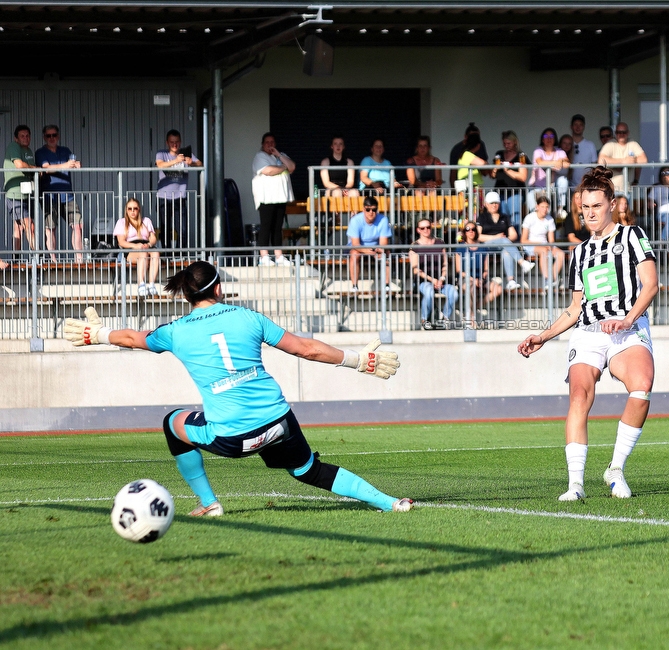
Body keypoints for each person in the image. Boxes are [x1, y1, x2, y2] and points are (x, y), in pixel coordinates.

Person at [62, 261, 412, 514]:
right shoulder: (248, 316)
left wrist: (98, 335)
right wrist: (357, 360)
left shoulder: (176, 330)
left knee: (172, 423)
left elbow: (132, 338)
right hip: (279, 424)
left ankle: (209, 503)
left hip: (232, 438)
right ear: (218, 288)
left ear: (186, 294)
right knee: (308, 470)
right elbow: (306, 348)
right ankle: (389, 502)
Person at [518, 166, 658, 501]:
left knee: (642, 387)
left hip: (628, 329)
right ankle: (575, 485)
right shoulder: (580, 253)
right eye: (585, 207)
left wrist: (627, 320)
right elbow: (576, 307)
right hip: (589, 333)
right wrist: (544, 335)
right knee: (580, 395)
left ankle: (615, 468)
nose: (590, 213)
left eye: (596, 205)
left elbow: (651, 286)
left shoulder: (633, 236)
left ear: (611, 204)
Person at [35, 124, 83, 261]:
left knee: (78, 225)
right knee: (51, 228)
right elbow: (46, 168)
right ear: (44, 137)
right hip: (49, 196)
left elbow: (71, 164)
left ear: (58, 136)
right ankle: (53, 260)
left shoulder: (65, 150)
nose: (51, 138)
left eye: (54, 135)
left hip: (67, 195)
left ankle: (79, 259)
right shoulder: (40, 152)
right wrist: (66, 165)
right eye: (48, 135)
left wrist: (77, 165)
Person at [251, 132, 295, 267]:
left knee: (277, 228)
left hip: (280, 197)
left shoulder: (280, 155)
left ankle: (279, 256)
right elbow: (268, 171)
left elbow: (292, 167)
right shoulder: (259, 156)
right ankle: (263, 256)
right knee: (266, 227)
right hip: (266, 198)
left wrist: (279, 156)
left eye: (272, 142)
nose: (270, 145)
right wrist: (283, 167)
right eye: (267, 142)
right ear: (262, 144)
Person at [477, 191, 534, 291]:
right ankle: (522, 263)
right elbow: (478, 236)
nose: (494, 205)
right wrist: (496, 237)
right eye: (491, 203)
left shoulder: (504, 217)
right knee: (504, 241)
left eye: (496, 203)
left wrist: (502, 239)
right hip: (487, 246)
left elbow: (513, 235)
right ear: (486, 204)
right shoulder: (482, 217)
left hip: (502, 245)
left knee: (507, 251)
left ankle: (511, 281)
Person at [155, 129, 202, 251]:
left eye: (176, 142)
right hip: (163, 197)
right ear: (167, 143)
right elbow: (159, 164)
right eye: (172, 142)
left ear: (180, 142)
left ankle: (180, 256)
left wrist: (191, 163)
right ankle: (167, 255)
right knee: (165, 229)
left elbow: (200, 164)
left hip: (180, 197)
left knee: (182, 229)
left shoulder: (186, 154)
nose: (174, 145)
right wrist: (176, 160)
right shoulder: (161, 153)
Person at [409, 218, 457, 329]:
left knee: (454, 293)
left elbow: (445, 264)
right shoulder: (415, 246)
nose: (426, 230)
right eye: (422, 228)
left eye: (428, 227)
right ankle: (425, 319)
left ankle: (445, 318)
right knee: (429, 291)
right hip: (423, 281)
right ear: (418, 230)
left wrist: (442, 278)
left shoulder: (440, 243)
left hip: (440, 281)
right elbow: (415, 269)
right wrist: (432, 280)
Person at [456, 220, 503, 324]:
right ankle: (471, 317)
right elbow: (459, 270)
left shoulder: (483, 247)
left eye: (473, 229)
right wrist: (473, 279)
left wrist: (482, 277)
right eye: (468, 229)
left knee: (498, 289)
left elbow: (486, 268)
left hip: (480, 278)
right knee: (471, 287)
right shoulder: (460, 248)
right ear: (464, 232)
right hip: (465, 279)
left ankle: (476, 306)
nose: (471, 231)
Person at [114, 197, 161, 296]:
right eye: (129, 209)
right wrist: (135, 246)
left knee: (156, 253)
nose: (132, 211)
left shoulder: (146, 221)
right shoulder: (121, 222)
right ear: (126, 210)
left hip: (146, 246)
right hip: (131, 249)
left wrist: (148, 244)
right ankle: (141, 284)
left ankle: (152, 284)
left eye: (135, 208)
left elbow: (153, 238)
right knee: (143, 254)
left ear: (139, 209)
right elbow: (121, 242)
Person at [4, 125, 37, 262]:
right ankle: (38, 256)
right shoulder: (13, 146)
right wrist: (36, 168)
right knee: (29, 225)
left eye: (27, 135)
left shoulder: (28, 150)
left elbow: (28, 169)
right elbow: (19, 165)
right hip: (15, 193)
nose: (25, 138)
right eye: (22, 136)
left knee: (19, 228)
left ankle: (15, 260)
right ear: (16, 138)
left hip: (27, 193)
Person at [347, 196, 394, 291]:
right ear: (363, 209)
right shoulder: (355, 220)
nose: (371, 212)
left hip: (375, 247)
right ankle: (354, 286)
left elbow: (383, 243)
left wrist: (380, 250)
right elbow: (355, 244)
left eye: (374, 210)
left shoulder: (383, 219)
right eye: (368, 209)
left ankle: (387, 285)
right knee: (354, 254)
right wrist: (366, 251)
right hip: (358, 247)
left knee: (386, 253)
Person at [520, 194, 564, 288]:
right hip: (530, 245)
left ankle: (553, 279)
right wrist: (541, 244)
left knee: (561, 254)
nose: (545, 209)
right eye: (542, 207)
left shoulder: (550, 219)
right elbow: (523, 240)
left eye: (547, 207)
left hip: (545, 245)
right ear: (537, 207)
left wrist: (550, 245)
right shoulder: (529, 217)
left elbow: (551, 239)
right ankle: (547, 280)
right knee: (544, 251)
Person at [527, 127, 570, 216]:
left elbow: (567, 164)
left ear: (555, 139)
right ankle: (535, 217)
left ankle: (560, 209)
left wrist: (561, 161)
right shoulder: (538, 150)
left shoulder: (559, 151)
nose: (549, 138)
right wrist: (556, 162)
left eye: (552, 136)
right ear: (542, 139)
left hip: (552, 186)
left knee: (563, 180)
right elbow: (540, 162)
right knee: (530, 196)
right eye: (546, 136)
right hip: (538, 186)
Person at [490, 130, 529, 226]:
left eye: (509, 143)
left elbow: (523, 177)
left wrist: (507, 170)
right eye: (504, 143)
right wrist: (495, 169)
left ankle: (516, 239)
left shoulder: (521, 156)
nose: (506, 146)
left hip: (515, 192)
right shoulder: (499, 154)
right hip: (500, 191)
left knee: (514, 218)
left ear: (515, 142)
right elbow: (492, 176)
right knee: (502, 218)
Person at [598, 122, 647, 193]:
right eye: (618, 132)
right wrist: (623, 162)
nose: (621, 135)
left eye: (624, 132)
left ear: (628, 133)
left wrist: (632, 161)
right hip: (611, 190)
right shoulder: (610, 144)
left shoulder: (633, 144)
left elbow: (644, 160)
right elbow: (601, 160)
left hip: (627, 190)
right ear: (615, 133)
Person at [449, 123, 488, 187]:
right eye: (473, 137)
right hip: (467, 188)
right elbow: (453, 172)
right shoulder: (465, 154)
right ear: (466, 137)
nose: (475, 139)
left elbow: (484, 171)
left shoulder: (480, 146)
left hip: (475, 187)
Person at [569, 114, 598, 189]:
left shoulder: (590, 145)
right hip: (569, 185)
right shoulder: (566, 143)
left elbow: (594, 165)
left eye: (580, 125)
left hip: (586, 185)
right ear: (571, 126)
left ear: (584, 127)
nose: (578, 127)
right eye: (575, 124)